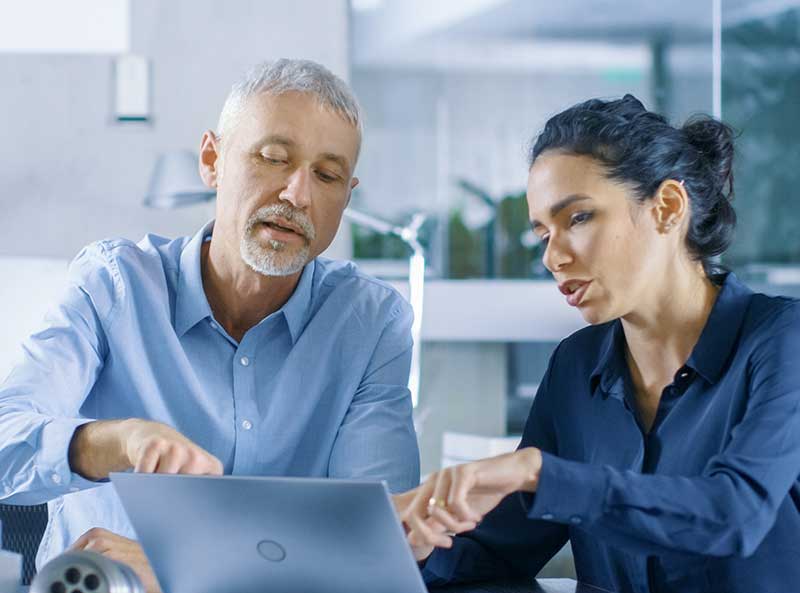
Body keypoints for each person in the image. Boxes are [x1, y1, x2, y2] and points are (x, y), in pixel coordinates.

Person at [0, 59, 420, 591]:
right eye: (273, 158)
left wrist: (186, 565)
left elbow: (376, 541)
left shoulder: (371, 324)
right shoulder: (114, 285)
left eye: (327, 175)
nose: (298, 195)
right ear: (212, 160)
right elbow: (5, 440)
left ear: (347, 194)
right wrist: (118, 442)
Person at [395, 95, 800, 593]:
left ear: (668, 208)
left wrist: (541, 473)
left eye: (578, 218)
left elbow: (734, 515)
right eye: (542, 234)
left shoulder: (782, 342)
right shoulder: (576, 367)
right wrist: (411, 542)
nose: (552, 257)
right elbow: (492, 555)